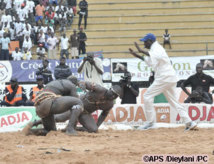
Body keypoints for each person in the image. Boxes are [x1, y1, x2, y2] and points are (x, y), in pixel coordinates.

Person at [128, 33, 196, 131]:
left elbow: (153, 56)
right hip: (169, 78)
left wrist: (141, 50)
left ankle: (150, 123)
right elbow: (151, 61)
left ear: (150, 41)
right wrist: (137, 55)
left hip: (164, 78)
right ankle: (189, 122)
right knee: (174, 102)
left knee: (147, 96)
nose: (144, 43)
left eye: (145, 41)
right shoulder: (154, 50)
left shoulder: (157, 48)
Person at [31, 80, 123, 133]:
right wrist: (83, 86)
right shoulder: (99, 89)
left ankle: (72, 128)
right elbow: (83, 83)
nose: (113, 96)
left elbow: (103, 115)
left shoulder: (110, 104)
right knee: (60, 118)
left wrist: (97, 126)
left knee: (94, 130)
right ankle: (38, 122)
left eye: (115, 96)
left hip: (85, 113)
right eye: (113, 93)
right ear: (110, 89)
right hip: (75, 107)